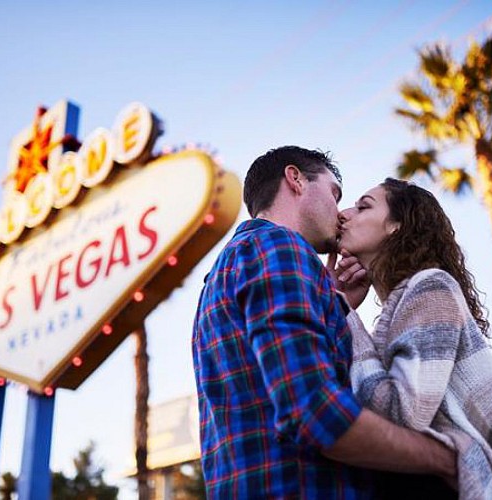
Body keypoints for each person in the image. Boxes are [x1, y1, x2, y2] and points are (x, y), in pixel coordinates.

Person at [192, 147, 457, 498]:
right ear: (296, 179)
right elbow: (314, 412)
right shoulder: (279, 246)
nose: (341, 213)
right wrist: (446, 459)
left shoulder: (222, 274)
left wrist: (336, 305)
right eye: (335, 193)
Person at [336, 178, 492, 499]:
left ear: (397, 225)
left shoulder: (432, 287)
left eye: (363, 206)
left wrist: (341, 312)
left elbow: (403, 414)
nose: (344, 214)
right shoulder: (404, 303)